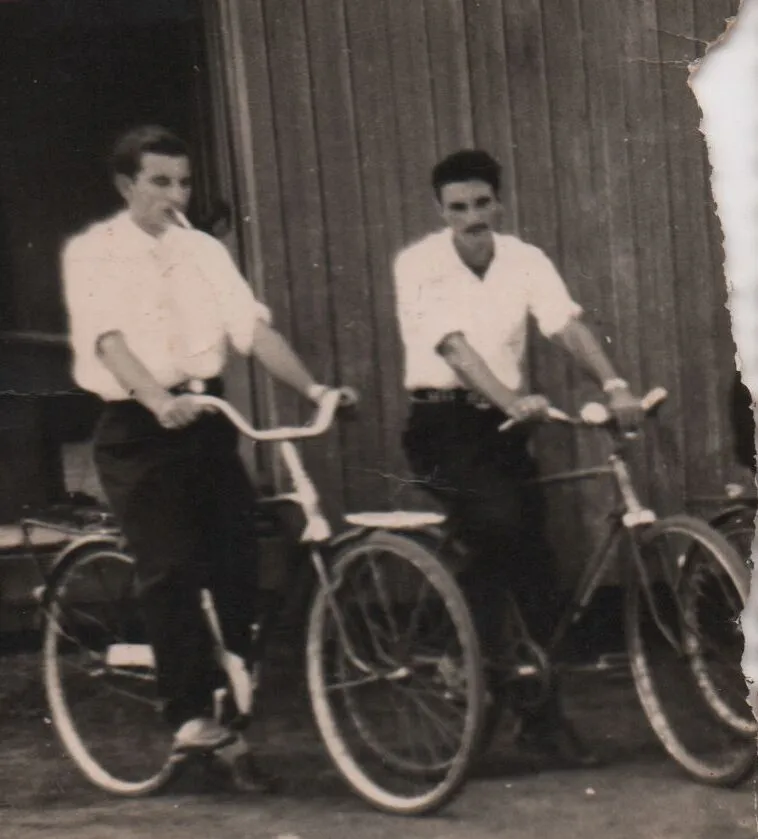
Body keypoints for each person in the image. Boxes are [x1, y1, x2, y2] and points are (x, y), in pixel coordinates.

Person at [61, 125, 353, 785]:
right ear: (126, 185)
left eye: (184, 182)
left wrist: (315, 388)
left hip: (208, 421)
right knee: (168, 567)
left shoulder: (203, 251)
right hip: (140, 424)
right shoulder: (94, 251)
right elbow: (108, 341)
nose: (175, 194)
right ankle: (191, 716)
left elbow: (251, 329)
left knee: (237, 565)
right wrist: (158, 397)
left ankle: (225, 716)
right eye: (160, 182)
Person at [393, 149, 643, 767]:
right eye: (458, 208)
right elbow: (455, 349)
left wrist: (614, 385)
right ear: (440, 210)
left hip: (503, 427)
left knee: (536, 563)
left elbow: (565, 325)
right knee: (498, 526)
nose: (472, 217)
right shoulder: (418, 263)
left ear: (498, 202)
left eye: (482, 203)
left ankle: (539, 718)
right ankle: (457, 655)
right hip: (442, 421)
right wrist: (513, 398)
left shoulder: (525, 260)